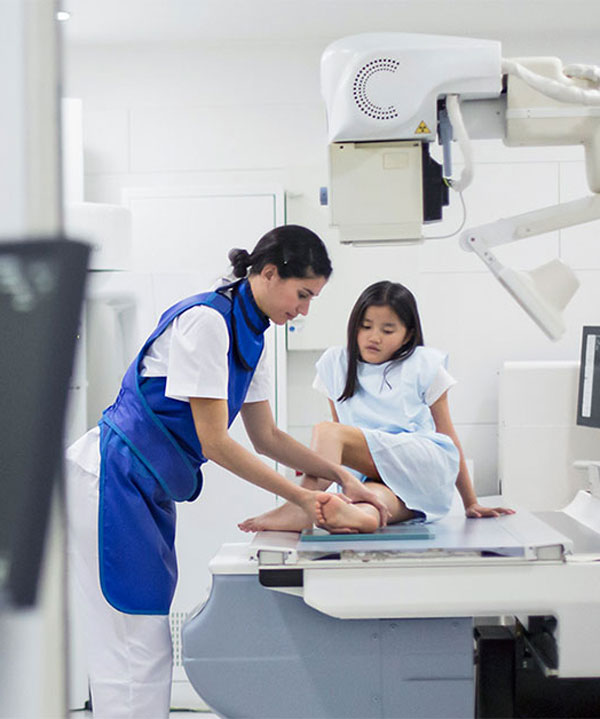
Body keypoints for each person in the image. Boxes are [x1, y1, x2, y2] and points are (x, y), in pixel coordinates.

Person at [66, 225, 390, 719]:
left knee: (143, 640)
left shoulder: (251, 333)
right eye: (302, 294)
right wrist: (302, 500)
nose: (303, 310)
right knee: (131, 643)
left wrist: (337, 473)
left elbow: (268, 438)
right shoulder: (207, 322)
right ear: (267, 273)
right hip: (109, 477)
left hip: (142, 485)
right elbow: (216, 442)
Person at [240, 280, 514, 535]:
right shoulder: (337, 365)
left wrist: (471, 502)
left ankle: (301, 507)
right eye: (366, 326)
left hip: (421, 463)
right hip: (377, 476)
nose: (374, 337)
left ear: (407, 335)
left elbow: (448, 438)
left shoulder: (424, 364)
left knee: (328, 432)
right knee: (369, 508)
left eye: (388, 330)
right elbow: (341, 451)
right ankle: (354, 516)